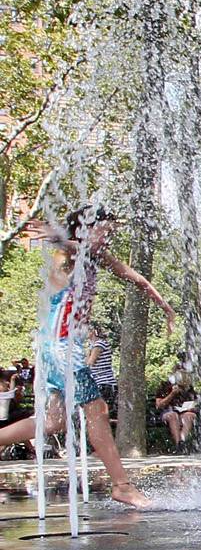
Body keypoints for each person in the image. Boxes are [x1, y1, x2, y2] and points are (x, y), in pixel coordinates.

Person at [0, 208, 176, 505]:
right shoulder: (66, 261)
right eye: (103, 232)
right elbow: (72, 249)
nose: (108, 238)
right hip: (60, 350)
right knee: (97, 410)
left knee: (53, 422)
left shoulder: (97, 258)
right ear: (83, 231)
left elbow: (136, 279)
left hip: (61, 349)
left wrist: (165, 307)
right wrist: (62, 239)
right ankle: (121, 485)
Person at [154, 370, 199, 448]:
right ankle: (178, 444)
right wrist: (172, 394)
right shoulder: (165, 386)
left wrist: (191, 407)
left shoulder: (189, 388)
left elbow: (194, 403)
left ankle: (182, 442)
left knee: (189, 415)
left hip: (183, 412)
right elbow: (159, 405)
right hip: (168, 412)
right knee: (173, 415)